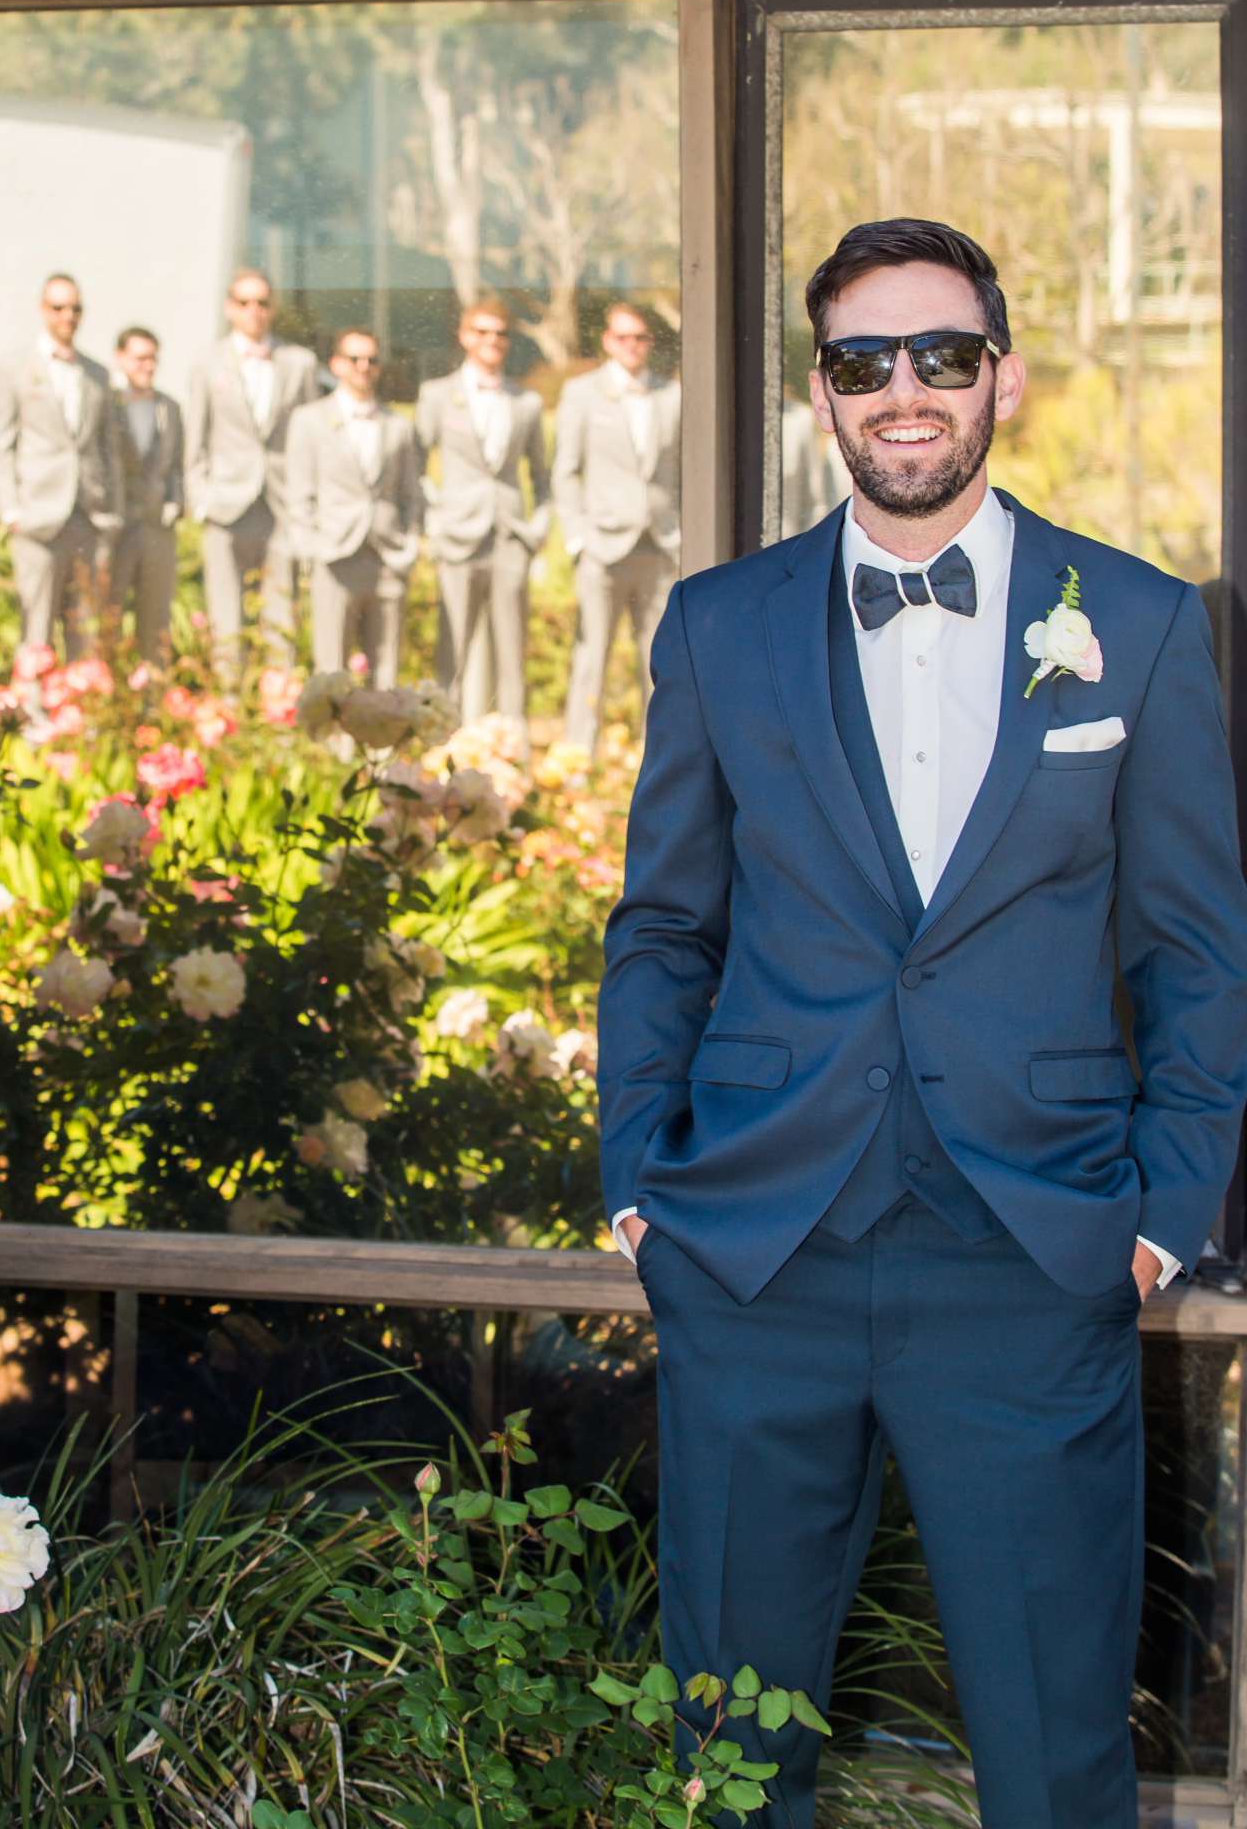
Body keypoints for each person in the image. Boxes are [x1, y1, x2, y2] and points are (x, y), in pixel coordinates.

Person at [599, 216, 1247, 1828]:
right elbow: (665, 925)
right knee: (736, 1763)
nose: (905, 390)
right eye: (863, 360)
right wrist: (637, 1176)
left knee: (1054, 1756)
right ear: (821, 394)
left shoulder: (1145, 623)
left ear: (1001, 379)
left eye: (940, 355)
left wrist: (1163, 1216)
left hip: (1029, 1261)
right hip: (759, 1255)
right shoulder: (719, 626)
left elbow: (1196, 950)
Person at [416, 296, 550, 736]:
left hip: (510, 536)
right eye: (483, 332)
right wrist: (434, 522)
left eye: (501, 333)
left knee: (512, 652)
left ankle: (513, 749)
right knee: (450, 651)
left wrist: (538, 528)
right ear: (464, 336)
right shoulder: (436, 395)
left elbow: (542, 476)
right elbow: (414, 472)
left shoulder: (526, 401)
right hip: (458, 537)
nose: (492, 340)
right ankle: (441, 746)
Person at [553, 302, 680, 753]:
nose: (633, 346)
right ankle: (579, 753)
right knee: (591, 656)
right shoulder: (581, 393)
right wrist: (577, 538)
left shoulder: (671, 395)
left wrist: (678, 532)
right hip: (602, 545)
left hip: (659, 544)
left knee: (660, 661)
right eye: (623, 337)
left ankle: (657, 759)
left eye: (641, 337)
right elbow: (565, 471)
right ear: (607, 341)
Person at [185, 269, 316, 672]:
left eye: (261, 302)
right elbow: (196, 441)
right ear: (229, 308)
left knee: (280, 618)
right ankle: (227, 712)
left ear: (272, 308)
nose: (253, 311)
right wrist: (201, 501)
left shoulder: (300, 363)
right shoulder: (206, 364)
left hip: (280, 504)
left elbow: (310, 439)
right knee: (225, 619)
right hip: (225, 504)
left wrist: (305, 505)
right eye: (244, 302)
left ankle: (279, 720)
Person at [0, 273, 122, 660]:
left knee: (86, 632)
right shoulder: (13, 367)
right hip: (38, 517)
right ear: (43, 309)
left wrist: (111, 514)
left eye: (75, 308)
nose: (68, 315)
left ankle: (82, 715)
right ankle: (32, 717)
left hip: (88, 517)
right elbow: (1, 443)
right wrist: (12, 509)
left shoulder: (96, 374)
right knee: (37, 630)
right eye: (59, 307)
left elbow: (107, 448)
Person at [285, 326, 423, 684]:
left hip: (387, 557)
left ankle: (381, 741)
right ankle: (334, 743)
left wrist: (409, 546)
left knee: (386, 669)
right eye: (354, 358)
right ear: (336, 364)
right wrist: (312, 549)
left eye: (372, 360)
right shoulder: (309, 420)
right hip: (335, 556)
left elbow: (411, 495)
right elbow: (299, 495)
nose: (364, 366)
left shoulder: (399, 426)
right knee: (332, 670)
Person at [109, 324, 183, 661]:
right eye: (140, 358)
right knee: (108, 617)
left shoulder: (169, 407)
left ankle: (155, 702)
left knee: (156, 622)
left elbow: (178, 465)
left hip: (157, 527)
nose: (148, 366)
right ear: (121, 359)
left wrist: (176, 503)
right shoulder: (108, 404)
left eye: (153, 359)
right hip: (116, 528)